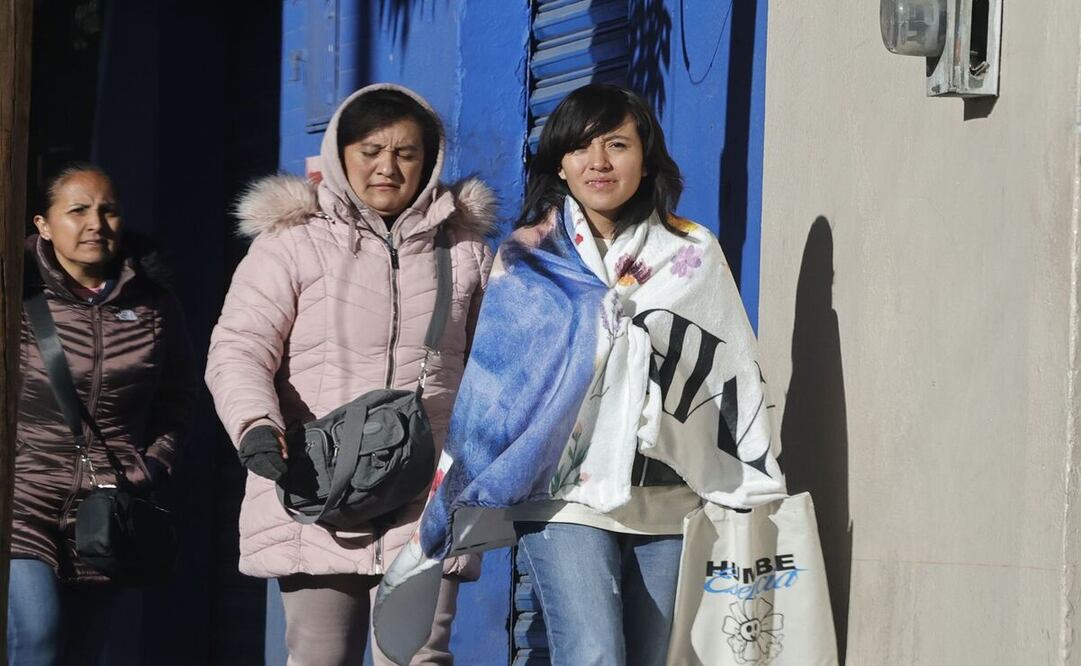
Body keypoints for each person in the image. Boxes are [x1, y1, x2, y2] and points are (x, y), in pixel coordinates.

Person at [379, 83, 785, 665]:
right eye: (581, 148)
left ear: (645, 159)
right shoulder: (529, 257)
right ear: (561, 166)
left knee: (655, 657)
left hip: (668, 490)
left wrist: (750, 474)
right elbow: (496, 385)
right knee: (592, 651)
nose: (599, 162)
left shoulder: (691, 251)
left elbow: (730, 374)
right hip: (563, 491)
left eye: (617, 144)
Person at [206, 84, 495, 665]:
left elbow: (499, 366)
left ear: (430, 160)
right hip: (314, 484)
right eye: (371, 150)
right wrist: (255, 425)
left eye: (406, 153)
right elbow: (239, 347)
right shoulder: (290, 243)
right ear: (341, 154)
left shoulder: (466, 252)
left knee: (418, 656)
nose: (387, 167)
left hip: (428, 497)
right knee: (319, 656)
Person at [8, 163, 196, 665]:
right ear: (43, 225)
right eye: (78, 210)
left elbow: (177, 399)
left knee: (83, 654)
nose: (96, 222)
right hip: (22, 501)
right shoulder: (16, 293)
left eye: (108, 209)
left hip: (107, 510)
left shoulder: (155, 305)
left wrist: (149, 466)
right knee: (38, 634)